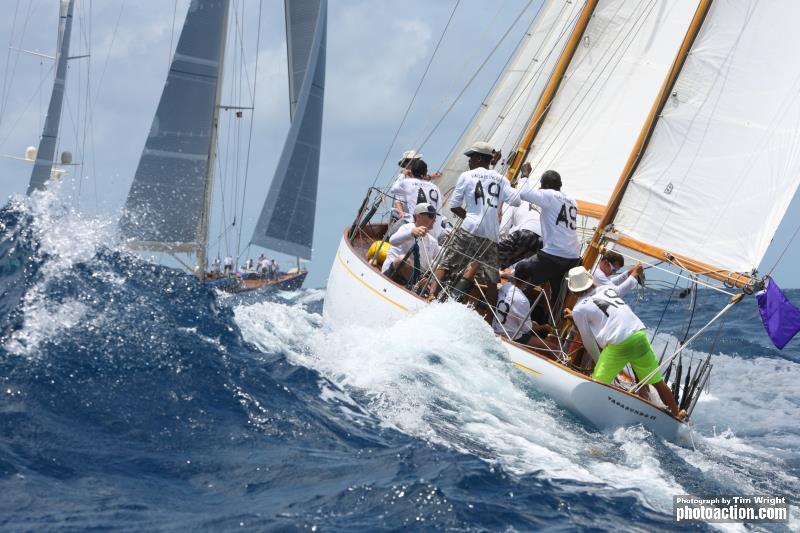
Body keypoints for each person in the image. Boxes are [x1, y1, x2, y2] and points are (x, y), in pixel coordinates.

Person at [563, 266, 685, 419]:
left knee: (597, 384)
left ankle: (595, 414)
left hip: (619, 343)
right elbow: (626, 286)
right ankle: (677, 415)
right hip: (639, 334)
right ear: (590, 280)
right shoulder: (605, 289)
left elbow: (588, 340)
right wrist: (632, 274)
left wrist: (599, 360)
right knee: (657, 382)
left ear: (573, 290)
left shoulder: (579, 309)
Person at [429, 141, 521, 306]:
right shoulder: (502, 179)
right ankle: (490, 318)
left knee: (447, 262)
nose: (469, 161)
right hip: (491, 235)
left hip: (469, 228)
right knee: (492, 278)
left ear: (479, 158)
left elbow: (454, 206)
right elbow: (516, 201)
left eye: (471, 158)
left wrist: (468, 217)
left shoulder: (467, 175)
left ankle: (431, 297)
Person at [516, 164, 580, 305]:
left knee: (521, 270)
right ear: (561, 184)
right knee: (557, 296)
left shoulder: (549, 195)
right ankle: (553, 323)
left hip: (554, 255)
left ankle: (514, 305)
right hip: (573, 257)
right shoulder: (573, 202)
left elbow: (522, 192)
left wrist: (525, 174)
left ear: (545, 186)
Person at [492, 261, 552, 343]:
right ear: (529, 279)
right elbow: (527, 329)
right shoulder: (523, 300)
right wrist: (543, 327)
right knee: (554, 348)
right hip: (510, 336)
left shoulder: (505, 286)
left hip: (496, 329)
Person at [382, 203, 440, 286]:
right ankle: (417, 284)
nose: (434, 220)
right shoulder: (407, 228)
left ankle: (423, 287)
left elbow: (439, 260)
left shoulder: (432, 241)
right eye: (431, 216)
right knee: (402, 259)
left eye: (435, 217)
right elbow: (392, 241)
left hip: (418, 278)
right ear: (418, 216)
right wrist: (411, 232)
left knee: (440, 268)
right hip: (394, 273)